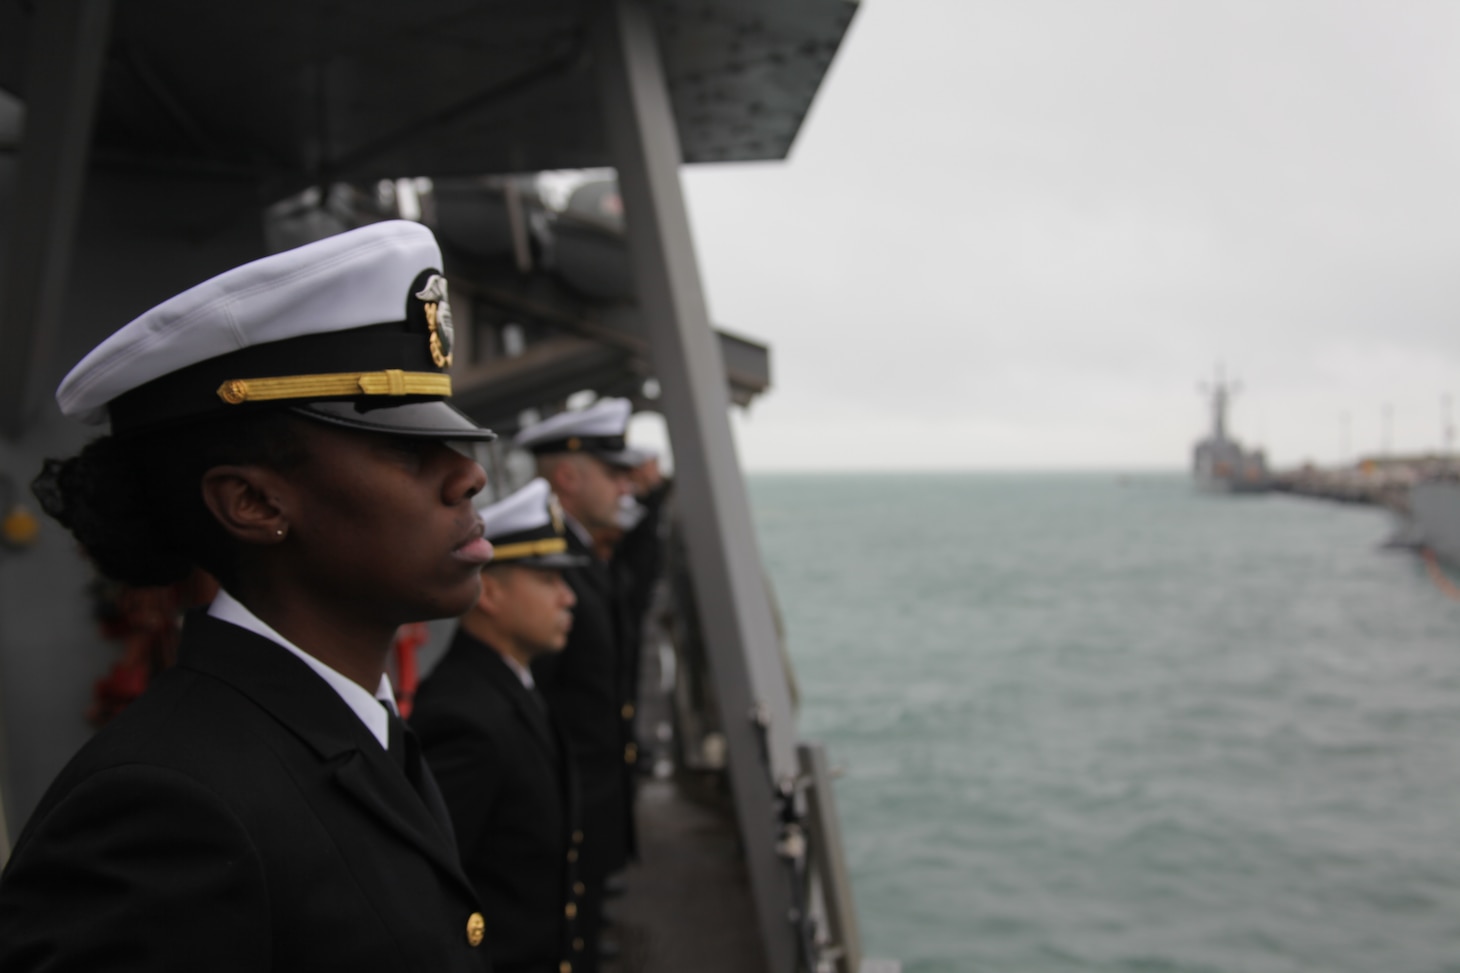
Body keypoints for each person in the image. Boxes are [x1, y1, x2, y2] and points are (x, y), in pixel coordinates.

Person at [0, 221, 500, 972]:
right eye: (404, 446)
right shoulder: (165, 809)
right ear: (253, 503)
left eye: (452, 439)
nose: (467, 476)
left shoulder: (351, 731)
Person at [412, 478, 589, 973]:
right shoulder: (463, 717)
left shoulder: (510, 684)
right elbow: (434, 898)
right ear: (489, 592)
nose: (568, 598)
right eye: (548, 580)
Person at [513, 398, 640, 971]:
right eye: (614, 473)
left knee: (580, 926)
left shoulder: (585, 557)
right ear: (567, 475)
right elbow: (536, 708)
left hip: (591, 797)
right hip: (569, 803)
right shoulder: (553, 572)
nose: (627, 484)